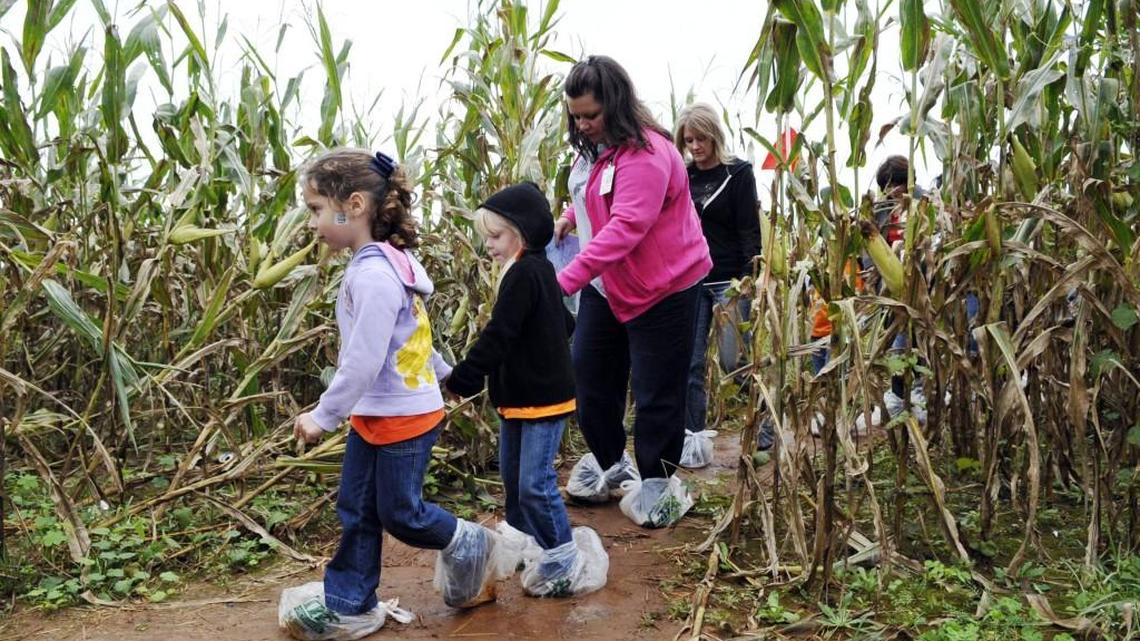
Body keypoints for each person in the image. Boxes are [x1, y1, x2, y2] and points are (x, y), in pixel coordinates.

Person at [286, 149, 498, 636]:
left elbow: (364, 358)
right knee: (357, 508)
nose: (313, 221)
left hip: (402, 419)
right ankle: (351, 602)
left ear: (353, 205)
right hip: (376, 414)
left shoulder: (376, 273)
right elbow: (415, 337)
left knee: (401, 514)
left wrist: (324, 415)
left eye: (317, 208)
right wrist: (442, 371)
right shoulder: (385, 264)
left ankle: (469, 541)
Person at [553, 55, 712, 524]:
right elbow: (592, 194)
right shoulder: (594, 149)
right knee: (588, 375)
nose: (582, 125)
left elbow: (626, 226)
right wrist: (568, 216)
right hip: (608, 284)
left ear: (616, 106)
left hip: (664, 287)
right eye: (575, 115)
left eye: (590, 115)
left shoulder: (649, 154)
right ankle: (611, 461)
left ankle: (658, 482)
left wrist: (561, 281)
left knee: (655, 387)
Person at [445, 183, 604, 597]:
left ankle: (564, 556)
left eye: (496, 236)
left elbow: (500, 333)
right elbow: (562, 323)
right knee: (515, 485)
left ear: (524, 232)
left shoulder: (527, 272)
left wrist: (465, 375)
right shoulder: (531, 272)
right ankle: (531, 541)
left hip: (541, 398)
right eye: (486, 238)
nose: (489, 246)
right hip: (518, 398)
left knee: (534, 485)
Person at [673, 103, 761, 451]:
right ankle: (694, 437)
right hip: (692, 281)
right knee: (690, 363)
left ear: (715, 135)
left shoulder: (737, 174)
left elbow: (748, 230)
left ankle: (759, 422)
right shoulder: (683, 176)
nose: (695, 146)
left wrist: (748, 278)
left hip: (730, 282)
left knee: (732, 361)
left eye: (701, 138)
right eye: (689, 139)